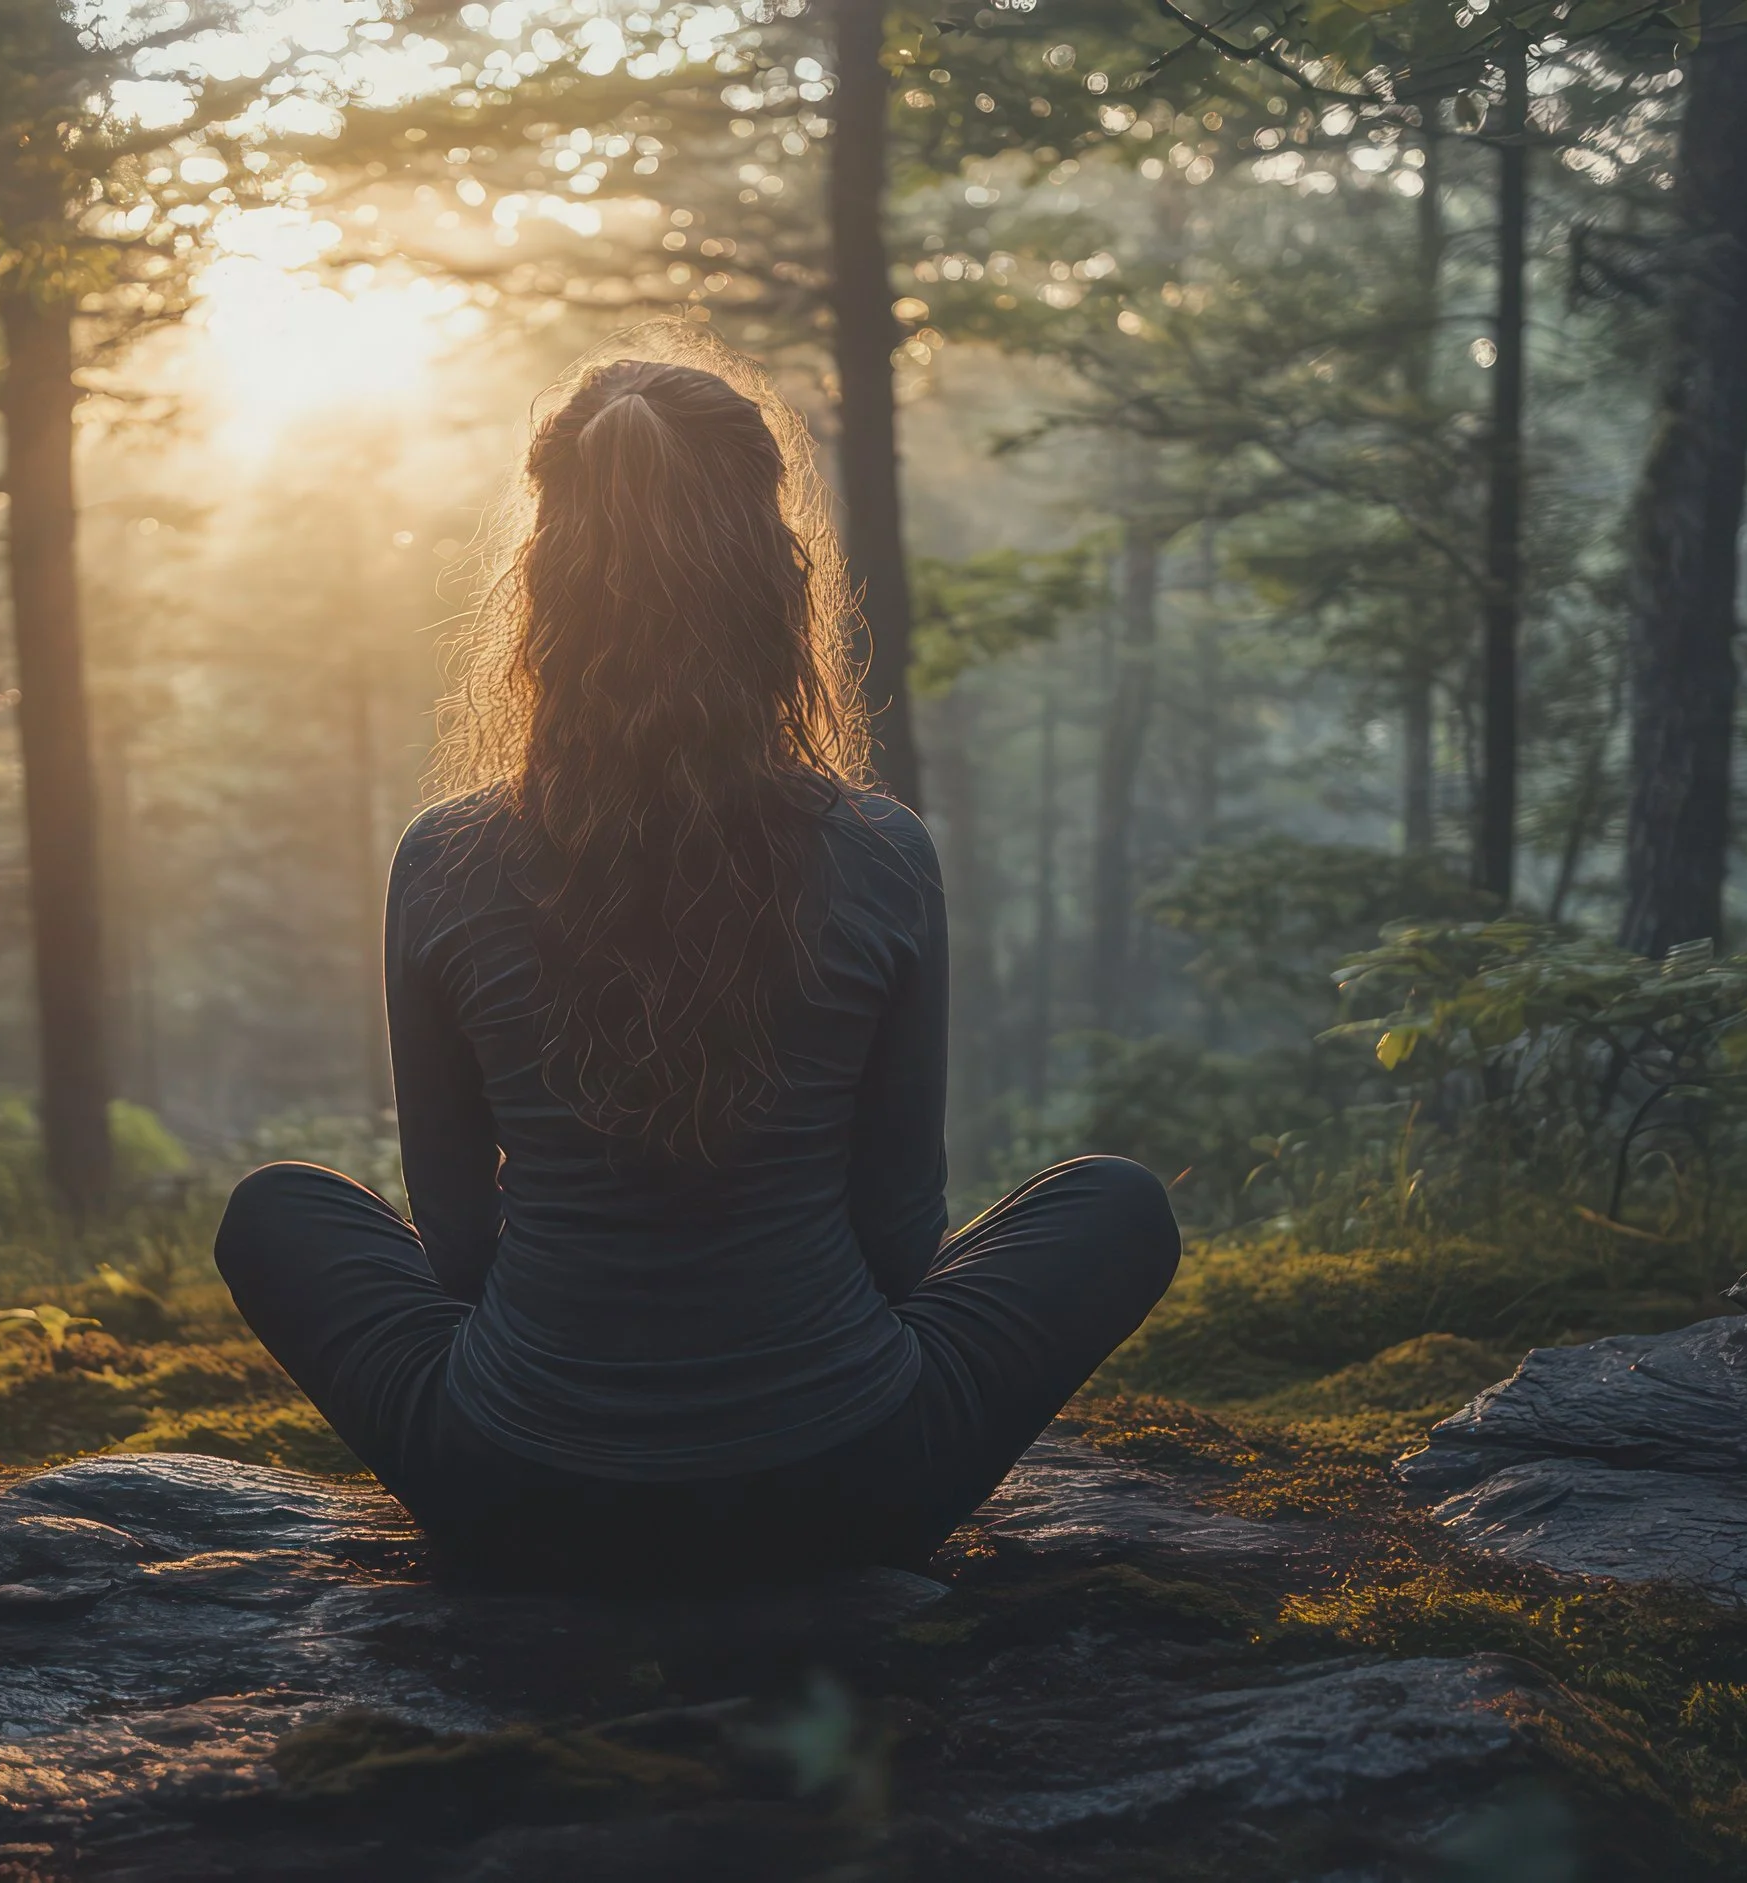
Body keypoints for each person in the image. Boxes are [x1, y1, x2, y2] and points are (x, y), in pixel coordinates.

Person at [216, 346, 1180, 1589]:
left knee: (274, 1210)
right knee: (1116, 1203)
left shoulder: (444, 859)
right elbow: (897, 1243)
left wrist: (585, 1369)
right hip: (850, 1488)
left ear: (544, 589)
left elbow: (454, 1250)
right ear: (776, 583)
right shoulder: (882, 853)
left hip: (516, 1494)